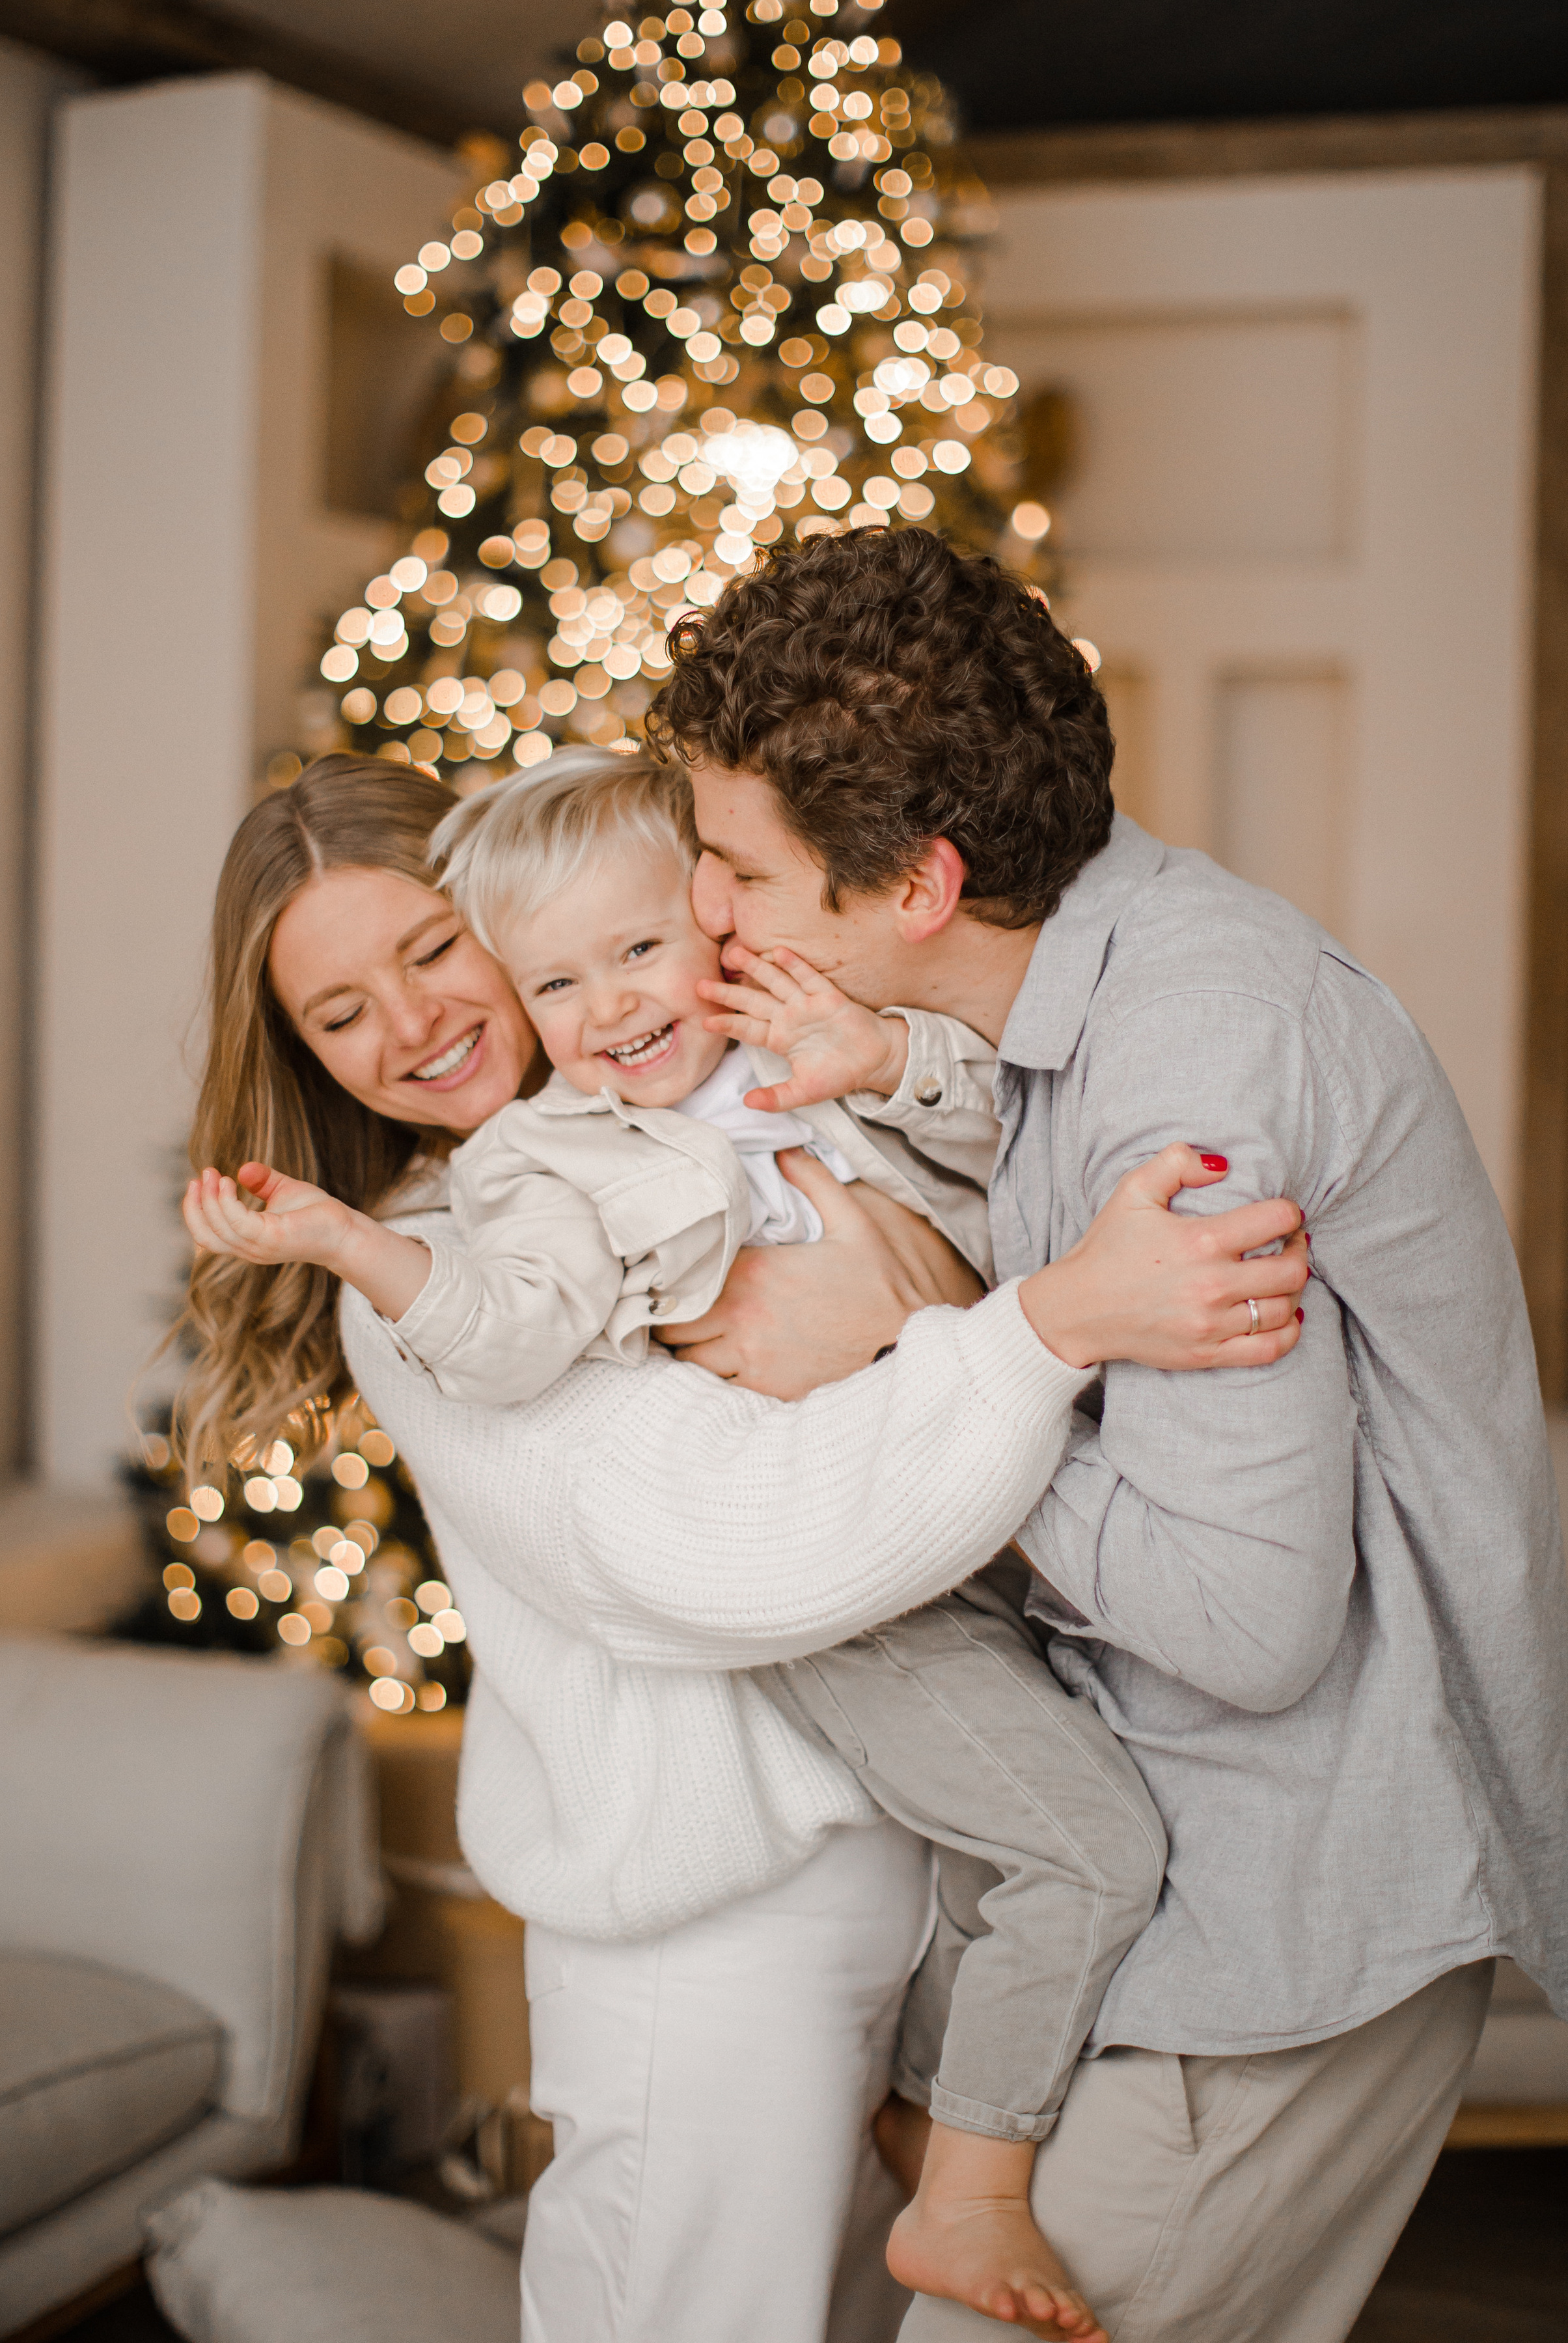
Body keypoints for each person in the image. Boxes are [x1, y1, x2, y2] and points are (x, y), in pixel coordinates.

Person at [178, 753, 1310, 2343]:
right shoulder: (441, 1276)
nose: (416, 1024)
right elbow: (736, 1551)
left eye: (431, 952)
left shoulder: (713, 1092)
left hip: (891, 1878)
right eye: (339, 1013)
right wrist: (1031, 1326)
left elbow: (966, 1155)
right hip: (705, 1944)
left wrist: (912, 1306)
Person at [649, 523, 1568, 2343]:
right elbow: (1033, 1173)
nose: (706, 918)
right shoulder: (1074, 969)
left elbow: (1247, 1625)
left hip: (1270, 1925)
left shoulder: (1196, 1058)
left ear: (917, 881)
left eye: (735, 868)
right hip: (1158, 1892)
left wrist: (912, 1353)